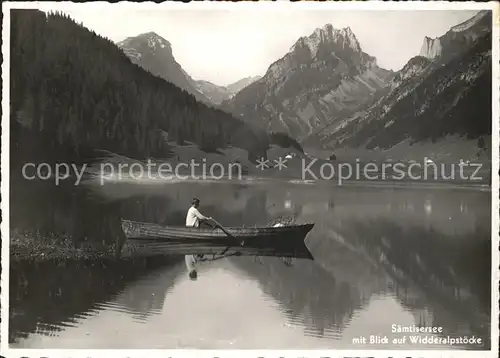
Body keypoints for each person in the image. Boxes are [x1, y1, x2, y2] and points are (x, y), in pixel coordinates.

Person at [185, 197, 211, 278]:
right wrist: (208, 218)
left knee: (200, 255)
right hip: (191, 229)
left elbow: (195, 260)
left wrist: (200, 259)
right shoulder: (194, 210)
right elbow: (201, 216)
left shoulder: (190, 268)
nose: (198, 205)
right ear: (195, 204)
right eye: (198, 203)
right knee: (201, 254)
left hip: (189, 228)